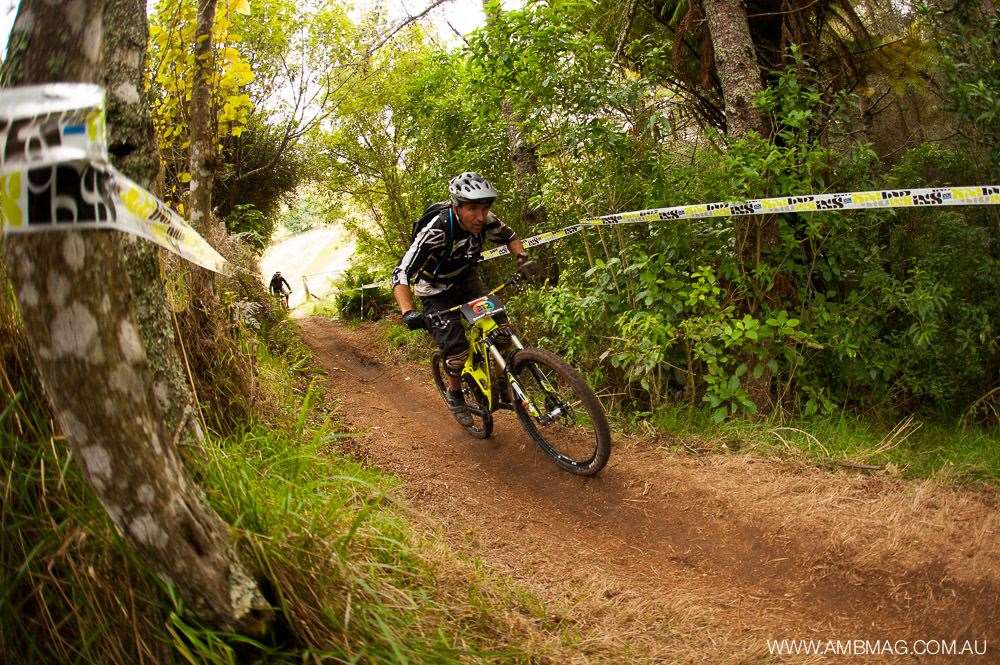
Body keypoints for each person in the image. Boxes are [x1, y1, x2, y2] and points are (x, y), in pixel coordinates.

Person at [391, 172, 539, 425]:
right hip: (435, 292)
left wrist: (522, 259)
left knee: (502, 333)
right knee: (457, 352)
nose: (480, 216)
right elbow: (401, 272)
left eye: (485, 208)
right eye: (472, 208)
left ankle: (503, 383)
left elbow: (511, 237)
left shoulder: (485, 220)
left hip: (467, 282)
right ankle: (455, 394)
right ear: (457, 207)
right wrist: (408, 312)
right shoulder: (436, 231)